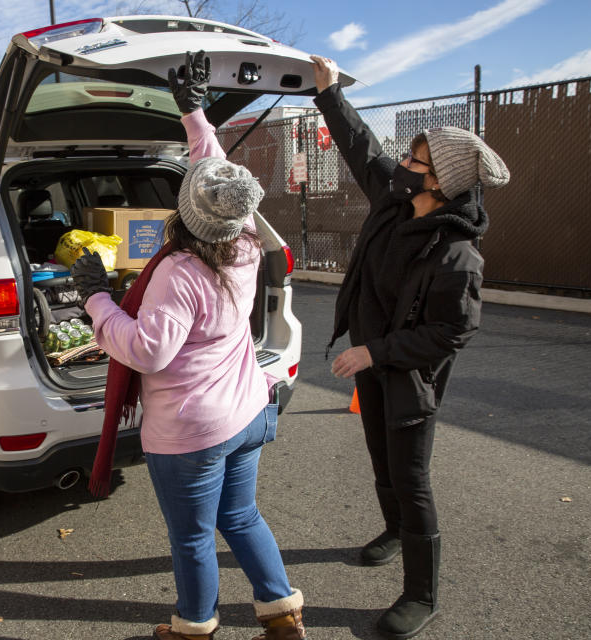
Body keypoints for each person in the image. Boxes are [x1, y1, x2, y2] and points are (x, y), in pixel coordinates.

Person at [71, 51, 306, 640]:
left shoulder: (179, 272)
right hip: (248, 411)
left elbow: (147, 352)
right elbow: (219, 176)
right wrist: (193, 111)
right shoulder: (245, 238)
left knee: (194, 536)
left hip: (192, 432)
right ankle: (284, 616)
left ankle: (195, 627)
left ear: (184, 212)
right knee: (242, 515)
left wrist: (97, 299)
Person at [310, 56, 510, 639]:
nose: (401, 163)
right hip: (372, 363)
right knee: (380, 458)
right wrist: (329, 95)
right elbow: (360, 148)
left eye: (414, 160)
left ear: (440, 181)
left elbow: (453, 331)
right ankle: (394, 531)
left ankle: (422, 595)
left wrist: (376, 352)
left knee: (411, 476)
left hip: (408, 376)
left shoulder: (457, 254)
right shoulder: (395, 201)